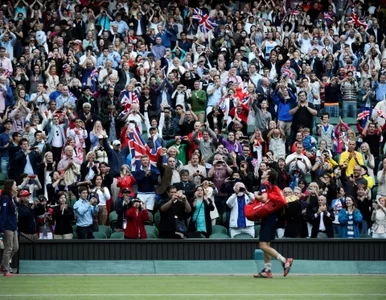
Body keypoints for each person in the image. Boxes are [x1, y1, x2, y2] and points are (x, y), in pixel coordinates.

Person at [253, 169, 293, 278]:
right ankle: (267, 270)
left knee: (262, 245)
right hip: (273, 216)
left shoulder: (264, 184)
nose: (264, 171)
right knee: (267, 244)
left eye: (266, 171)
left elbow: (264, 198)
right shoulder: (271, 186)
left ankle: (285, 261)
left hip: (269, 217)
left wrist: (256, 195)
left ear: (268, 176)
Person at [0, 180, 19, 276]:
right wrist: (1, 228)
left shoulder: (12, 198)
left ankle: (3, 265)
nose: (17, 186)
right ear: (10, 186)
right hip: (7, 227)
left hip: (13, 226)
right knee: (9, 248)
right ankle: (5, 270)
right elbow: (3, 214)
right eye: (15, 185)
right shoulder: (5, 198)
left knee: (15, 247)